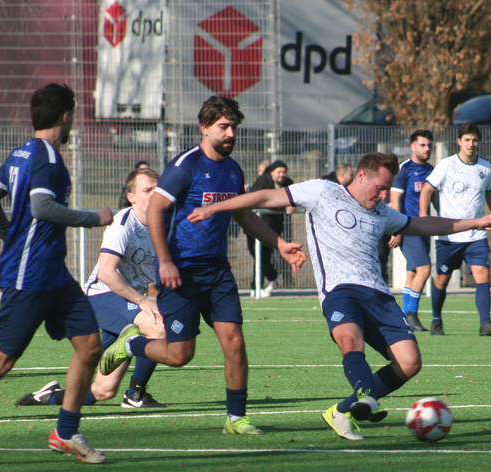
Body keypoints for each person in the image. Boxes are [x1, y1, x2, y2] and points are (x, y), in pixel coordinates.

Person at [184, 152, 491, 440]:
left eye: (387, 189)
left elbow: (425, 225)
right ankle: (365, 396)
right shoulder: (322, 191)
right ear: (361, 175)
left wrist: (476, 221)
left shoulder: (383, 212)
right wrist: (215, 208)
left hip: (378, 294)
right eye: (379, 188)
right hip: (340, 291)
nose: (383, 195)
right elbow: (267, 196)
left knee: (410, 363)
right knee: (350, 341)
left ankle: (342, 411)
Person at [0, 83, 114, 467]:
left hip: (54, 274)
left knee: (90, 346)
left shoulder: (20, 153)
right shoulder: (47, 157)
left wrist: (10, 236)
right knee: (0, 361)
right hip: (31, 275)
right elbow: (42, 207)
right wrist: (93, 218)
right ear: (66, 115)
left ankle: (66, 432)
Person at [98, 95, 306, 436]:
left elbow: (243, 214)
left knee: (234, 341)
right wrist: (166, 262)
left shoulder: (233, 170)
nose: (230, 134)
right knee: (180, 355)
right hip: (180, 272)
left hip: (217, 270)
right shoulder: (185, 167)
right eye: (223, 127)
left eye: (234, 127)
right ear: (204, 128)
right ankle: (130, 344)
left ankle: (236, 418)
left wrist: (280, 243)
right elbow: (155, 210)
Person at [15, 166, 166, 409]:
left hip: (126, 302)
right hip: (103, 296)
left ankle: (48, 397)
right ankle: (135, 394)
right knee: (158, 328)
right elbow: (106, 273)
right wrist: (142, 301)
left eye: (157, 190)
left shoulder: (164, 223)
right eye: (147, 190)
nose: (154, 194)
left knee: (103, 390)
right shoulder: (123, 223)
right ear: (132, 197)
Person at [419, 123, 491, 336]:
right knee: (442, 279)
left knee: (482, 273)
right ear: (459, 141)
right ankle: (436, 319)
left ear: (479, 142)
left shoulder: (485, 168)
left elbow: (490, 194)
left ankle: (485, 323)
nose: (471, 144)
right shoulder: (447, 165)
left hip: (476, 234)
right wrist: (423, 216)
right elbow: (427, 188)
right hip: (449, 235)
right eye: (467, 140)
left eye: (475, 140)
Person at [388, 129, 435, 331]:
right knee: (425, 269)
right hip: (408, 228)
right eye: (422, 145)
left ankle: (405, 317)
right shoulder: (404, 169)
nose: (427, 149)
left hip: (424, 229)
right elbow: (395, 201)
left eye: (429, 145)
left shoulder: (432, 170)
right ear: (412, 147)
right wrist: (397, 230)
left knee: (413, 272)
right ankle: (411, 314)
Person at [247, 160, 295, 295]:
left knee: (264, 255)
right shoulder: (262, 182)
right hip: (254, 224)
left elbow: (296, 196)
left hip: (273, 227)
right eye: (279, 172)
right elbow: (260, 201)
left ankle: (256, 287)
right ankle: (271, 277)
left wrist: (292, 204)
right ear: (272, 172)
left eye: (284, 172)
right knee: (256, 253)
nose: (282, 175)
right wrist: (283, 205)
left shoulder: (288, 183)